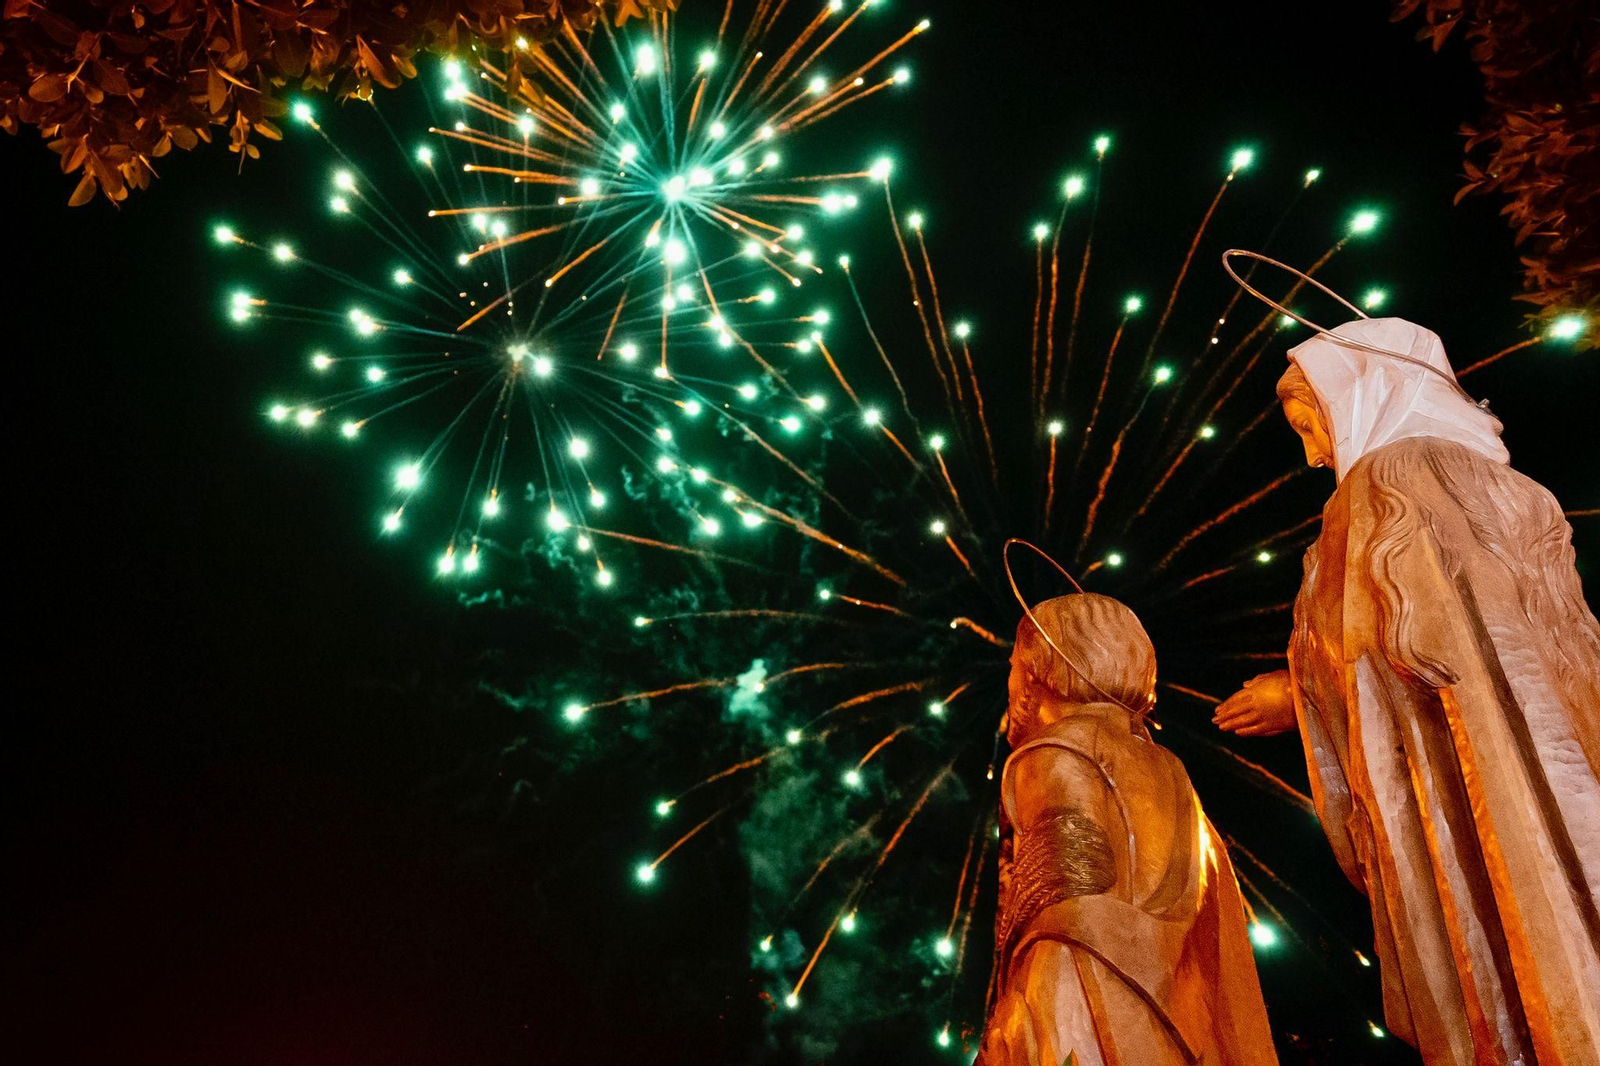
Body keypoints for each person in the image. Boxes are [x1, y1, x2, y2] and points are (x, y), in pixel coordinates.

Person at [1214, 317, 1600, 1065]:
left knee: (1508, 964)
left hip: (1472, 783)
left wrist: (1298, 695)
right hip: (1556, 771)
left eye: (1312, 424)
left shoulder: (1387, 488)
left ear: (1368, 394)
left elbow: (1417, 648)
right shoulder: (1496, 486)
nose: (1313, 452)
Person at [980, 592, 1278, 1066]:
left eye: (1014, 664)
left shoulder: (1051, 752)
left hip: (1085, 995)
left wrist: (1022, 1023)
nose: (1011, 681)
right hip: (1177, 996)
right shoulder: (1166, 765)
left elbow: (1063, 905)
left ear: (1040, 669)